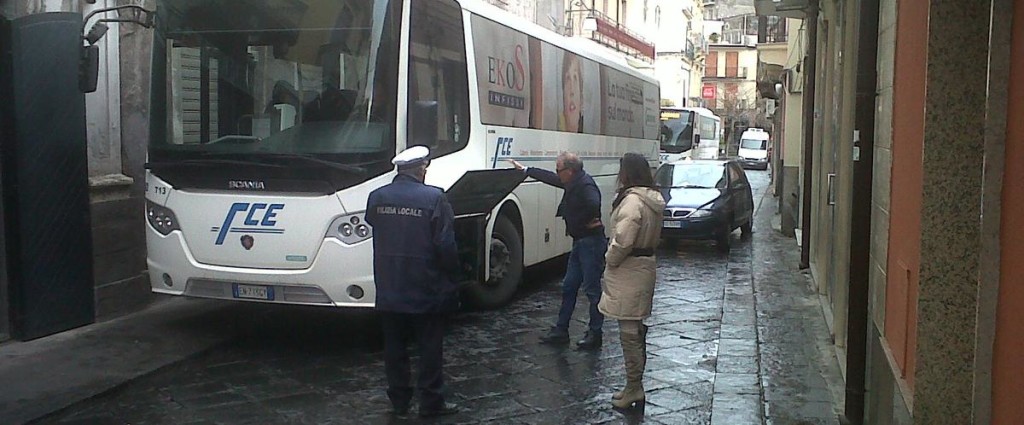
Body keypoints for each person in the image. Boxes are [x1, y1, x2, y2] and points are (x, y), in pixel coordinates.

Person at [365, 146, 460, 419]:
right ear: (421, 169)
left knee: (394, 348)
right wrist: (453, 275)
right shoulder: (434, 198)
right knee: (430, 348)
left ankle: (399, 401)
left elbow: (374, 222)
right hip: (425, 287)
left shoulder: (377, 196)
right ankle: (431, 403)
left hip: (389, 285)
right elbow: (445, 245)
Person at [507, 152, 606, 350]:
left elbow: (593, 204)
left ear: (569, 171)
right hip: (581, 242)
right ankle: (561, 330)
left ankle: (595, 333)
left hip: (590, 243)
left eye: (559, 169)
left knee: (592, 289)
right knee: (569, 286)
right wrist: (527, 170)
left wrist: (583, 222)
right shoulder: (573, 181)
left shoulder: (585, 185)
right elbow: (552, 179)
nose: (557, 173)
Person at [598, 153, 666, 409]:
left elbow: (623, 239)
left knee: (629, 331)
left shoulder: (633, 202)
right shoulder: (651, 199)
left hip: (629, 270)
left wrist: (610, 258)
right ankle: (632, 385)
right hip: (643, 266)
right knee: (634, 328)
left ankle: (634, 387)